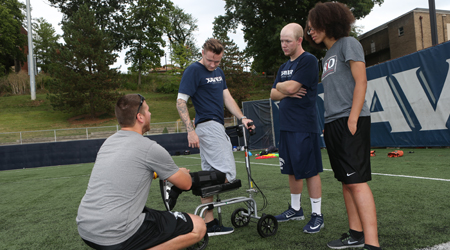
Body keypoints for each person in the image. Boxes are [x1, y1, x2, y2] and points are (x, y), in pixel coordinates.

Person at [76, 94, 206, 250]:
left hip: (86, 228)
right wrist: (180, 171)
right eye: (148, 110)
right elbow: (186, 184)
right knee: (198, 226)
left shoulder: (108, 142)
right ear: (140, 117)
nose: (150, 114)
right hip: (115, 233)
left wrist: (159, 173)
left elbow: (129, 171)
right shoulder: (150, 147)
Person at [305, 2, 382, 250]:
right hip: (333, 123)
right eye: (308, 29)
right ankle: (356, 235)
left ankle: (372, 243)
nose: (310, 32)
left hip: (351, 120)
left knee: (357, 181)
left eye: (313, 26)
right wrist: (331, 124)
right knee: (346, 182)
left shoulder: (349, 44)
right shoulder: (326, 56)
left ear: (327, 21)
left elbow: (361, 82)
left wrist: (352, 118)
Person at [176, 38, 254, 236]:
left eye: (217, 61)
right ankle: (177, 183)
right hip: (207, 126)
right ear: (203, 53)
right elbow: (180, 102)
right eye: (210, 60)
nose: (212, 65)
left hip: (216, 125)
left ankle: (209, 224)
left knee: (209, 177)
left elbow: (227, 98)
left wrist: (242, 117)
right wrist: (189, 130)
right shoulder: (193, 70)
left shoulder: (219, 72)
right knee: (228, 176)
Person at [270, 23, 324, 234]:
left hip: (304, 125)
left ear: (299, 40)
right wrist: (286, 90)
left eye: (288, 41)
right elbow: (273, 93)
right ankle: (295, 209)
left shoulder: (308, 60)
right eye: (282, 41)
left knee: (309, 170)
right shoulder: (284, 67)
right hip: (287, 126)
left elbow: (287, 88)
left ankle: (317, 214)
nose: (283, 45)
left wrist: (284, 88)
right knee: (292, 169)